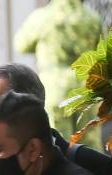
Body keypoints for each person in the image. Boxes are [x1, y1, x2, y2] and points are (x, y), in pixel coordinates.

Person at [14, 0, 102, 142]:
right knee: (90, 144)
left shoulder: (42, 17)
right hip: (86, 88)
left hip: (54, 88)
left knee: (59, 144)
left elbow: (21, 45)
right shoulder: (92, 17)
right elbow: (102, 52)